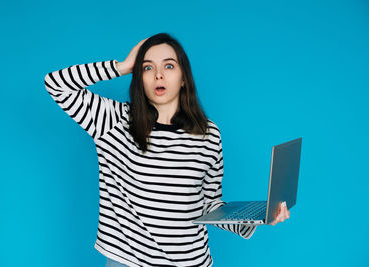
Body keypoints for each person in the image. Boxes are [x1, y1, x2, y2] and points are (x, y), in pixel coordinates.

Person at [44, 33, 290, 267]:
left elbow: (210, 205)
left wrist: (258, 217)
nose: (159, 75)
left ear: (184, 78)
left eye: (169, 66)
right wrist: (123, 65)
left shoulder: (208, 133)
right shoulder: (113, 121)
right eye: (148, 67)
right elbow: (56, 84)